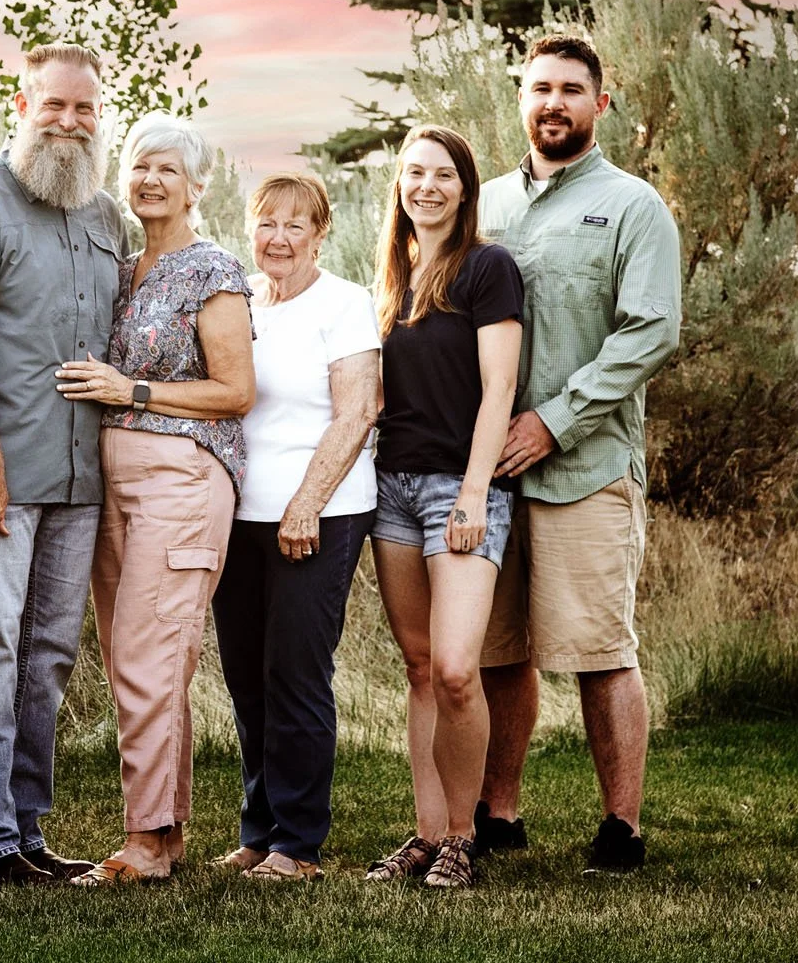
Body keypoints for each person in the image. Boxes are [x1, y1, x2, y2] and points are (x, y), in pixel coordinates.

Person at [0, 42, 126, 885]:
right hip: (3, 472)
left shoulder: (106, 215)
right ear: (21, 104)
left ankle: (28, 826)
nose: (70, 123)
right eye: (55, 106)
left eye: (85, 110)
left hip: (82, 479)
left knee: (49, 654)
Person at [476, 35, 681, 873]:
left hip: (585, 465)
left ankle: (620, 827)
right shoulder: (483, 204)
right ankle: (499, 813)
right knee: (498, 650)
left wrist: (554, 422)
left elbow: (651, 332)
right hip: (487, 471)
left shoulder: (634, 207)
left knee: (600, 650)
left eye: (570, 89)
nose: (551, 102)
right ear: (519, 100)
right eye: (538, 89)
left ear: (602, 103)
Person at [54, 113, 254, 886]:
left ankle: (142, 842)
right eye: (139, 166)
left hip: (183, 478)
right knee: (136, 658)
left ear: (198, 185)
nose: (150, 180)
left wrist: (130, 391)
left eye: (168, 169)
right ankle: (163, 838)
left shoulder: (214, 271)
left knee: (149, 654)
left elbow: (236, 391)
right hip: (114, 486)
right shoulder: (122, 266)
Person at [208, 172, 380, 883]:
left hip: (320, 511)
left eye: (295, 224)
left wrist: (305, 503)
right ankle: (260, 829)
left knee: (296, 675)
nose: (278, 237)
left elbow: (359, 411)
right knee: (248, 677)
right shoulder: (241, 301)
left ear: (320, 233)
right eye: (266, 223)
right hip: (239, 515)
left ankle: (299, 845)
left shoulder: (345, 304)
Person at [364, 125, 523, 890]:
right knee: (422, 668)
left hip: (462, 490)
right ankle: (426, 836)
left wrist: (471, 491)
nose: (424, 186)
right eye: (412, 173)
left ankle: (464, 836)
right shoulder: (393, 276)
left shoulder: (487, 267)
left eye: (441, 175)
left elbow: (499, 391)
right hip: (391, 490)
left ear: (465, 189)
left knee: (460, 669)